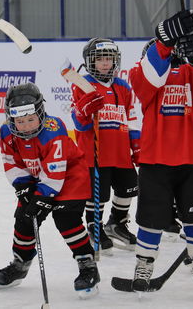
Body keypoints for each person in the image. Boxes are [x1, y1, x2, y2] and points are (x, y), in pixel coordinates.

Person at [127, 10, 193, 292]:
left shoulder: (192, 74)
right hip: (155, 162)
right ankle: (144, 264)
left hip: (191, 160)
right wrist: (164, 43)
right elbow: (154, 76)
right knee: (151, 219)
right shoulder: (140, 74)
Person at [0, 82, 99, 298]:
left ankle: (87, 266)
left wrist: (41, 198)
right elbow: (11, 162)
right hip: (37, 179)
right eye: (20, 121)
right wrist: (21, 185)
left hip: (69, 179)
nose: (26, 126)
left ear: (40, 112)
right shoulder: (6, 131)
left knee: (66, 219)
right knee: (24, 218)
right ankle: (20, 264)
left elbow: (55, 176)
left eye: (31, 119)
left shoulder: (53, 130)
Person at [71, 38, 141, 252]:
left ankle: (117, 224)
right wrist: (85, 109)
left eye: (109, 59)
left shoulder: (123, 86)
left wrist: (137, 146)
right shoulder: (82, 84)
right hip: (94, 154)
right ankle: (95, 227)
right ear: (90, 61)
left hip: (120, 153)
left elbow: (131, 118)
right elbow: (79, 125)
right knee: (97, 196)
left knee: (129, 189)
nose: (104, 63)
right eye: (99, 59)